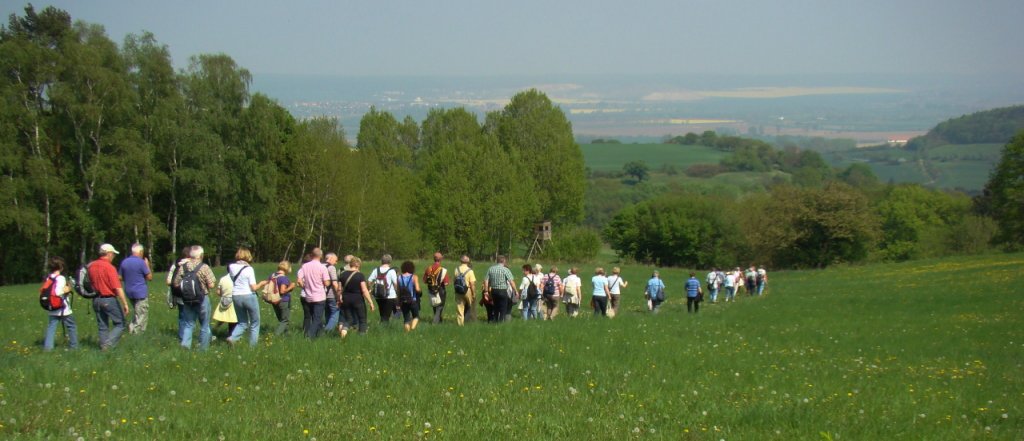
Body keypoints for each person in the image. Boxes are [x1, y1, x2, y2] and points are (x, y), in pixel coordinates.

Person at [173, 246, 217, 350]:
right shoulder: (204, 267)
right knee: (205, 325)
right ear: (201, 256)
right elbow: (211, 285)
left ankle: (185, 344)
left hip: (187, 300)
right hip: (202, 299)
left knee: (189, 324)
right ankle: (202, 348)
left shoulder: (183, 267)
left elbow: (175, 283)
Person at [88, 243, 129, 351]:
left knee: (102, 326)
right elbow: (117, 287)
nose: (114, 257)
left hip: (96, 299)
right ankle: (108, 345)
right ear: (109, 254)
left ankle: (103, 347)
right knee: (121, 324)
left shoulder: (92, 266)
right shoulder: (109, 267)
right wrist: (124, 303)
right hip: (108, 299)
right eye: (113, 254)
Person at [227, 247, 269, 347]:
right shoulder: (249, 269)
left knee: (242, 322)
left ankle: (233, 337)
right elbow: (253, 287)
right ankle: (252, 347)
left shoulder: (231, 267)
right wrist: (262, 283)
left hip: (236, 295)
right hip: (249, 295)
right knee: (255, 322)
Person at [42, 256, 78, 351]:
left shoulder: (49, 278)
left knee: (51, 327)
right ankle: (74, 347)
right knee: (71, 326)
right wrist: (69, 288)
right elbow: (58, 292)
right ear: (61, 267)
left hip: (52, 307)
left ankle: (48, 348)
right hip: (63, 308)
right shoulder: (61, 278)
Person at [119, 243, 153, 334]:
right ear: (141, 252)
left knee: (137, 312)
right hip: (140, 292)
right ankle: (137, 333)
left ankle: (131, 329)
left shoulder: (124, 262)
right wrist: (147, 265)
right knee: (142, 314)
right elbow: (149, 277)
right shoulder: (141, 262)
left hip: (129, 291)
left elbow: (120, 277)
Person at [296, 248, 330, 339]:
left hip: (308, 296)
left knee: (311, 316)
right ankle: (309, 336)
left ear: (312, 255)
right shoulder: (322, 267)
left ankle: (319, 335)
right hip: (319, 296)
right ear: (321, 256)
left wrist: (305, 286)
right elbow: (326, 283)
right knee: (317, 318)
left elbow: (299, 280)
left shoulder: (305, 266)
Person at [337, 257, 375, 337]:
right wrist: (370, 302)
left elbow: (339, 289)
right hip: (357, 299)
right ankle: (362, 336)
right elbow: (364, 290)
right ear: (358, 265)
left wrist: (338, 299)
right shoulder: (360, 275)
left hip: (346, 299)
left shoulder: (342, 274)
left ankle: (344, 330)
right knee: (362, 319)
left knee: (349, 319)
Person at [482, 255, 516, 322]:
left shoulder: (491, 269)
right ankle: (501, 322)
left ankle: (495, 320)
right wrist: (515, 291)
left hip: (494, 291)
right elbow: (511, 282)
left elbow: (486, 280)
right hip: (503, 291)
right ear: (503, 261)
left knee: (496, 307)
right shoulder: (505, 269)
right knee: (503, 307)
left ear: (497, 261)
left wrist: (486, 291)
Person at [368, 254, 399, 325]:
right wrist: (398, 293)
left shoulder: (376, 270)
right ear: (390, 261)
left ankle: (382, 327)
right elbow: (395, 284)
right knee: (386, 316)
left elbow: (369, 281)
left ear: (381, 261)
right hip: (390, 296)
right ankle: (384, 329)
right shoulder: (392, 271)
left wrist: (370, 289)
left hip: (378, 295)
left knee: (382, 313)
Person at [211, 267, 238, 339]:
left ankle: (214, 330)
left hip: (224, 301)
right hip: (234, 301)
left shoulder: (223, 278)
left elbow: (218, 292)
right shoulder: (237, 278)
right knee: (234, 320)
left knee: (223, 318)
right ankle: (232, 336)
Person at [271, 261, 296, 336]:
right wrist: (291, 287)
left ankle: (287, 335)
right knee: (285, 320)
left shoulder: (272, 276)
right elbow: (282, 291)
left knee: (282, 319)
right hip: (283, 300)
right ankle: (276, 335)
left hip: (274, 300)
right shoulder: (283, 278)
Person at [451, 255, 476, 326]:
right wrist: (474, 294)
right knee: (471, 307)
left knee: (460, 308)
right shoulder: (470, 271)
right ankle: (471, 322)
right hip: (467, 290)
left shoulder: (456, 269)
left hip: (458, 290)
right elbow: (472, 284)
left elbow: (454, 281)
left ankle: (460, 324)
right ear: (468, 261)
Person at [424, 252, 449, 324]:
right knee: (440, 306)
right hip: (440, 289)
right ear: (441, 259)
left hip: (431, 289)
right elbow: (446, 283)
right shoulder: (443, 270)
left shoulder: (428, 268)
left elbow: (425, 281)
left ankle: (439, 321)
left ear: (433, 259)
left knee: (435, 305)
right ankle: (435, 322)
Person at [397, 261, 423, 332]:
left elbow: (398, 291)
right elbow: (417, 289)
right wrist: (420, 292)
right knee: (416, 316)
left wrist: (398, 302)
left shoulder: (399, 277)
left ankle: (407, 333)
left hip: (403, 301)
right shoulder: (414, 277)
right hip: (412, 300)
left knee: (406, 319)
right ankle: (412, 328)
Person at [323, 253, 342, 334]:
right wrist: (339, 295)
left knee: (327, 313)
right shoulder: (331, 268)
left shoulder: (321, 266)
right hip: (331, 295)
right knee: (335, 313)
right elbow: (334, 283)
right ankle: (327, 331)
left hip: (323, 295)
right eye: (336, 260)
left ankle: (327, 327)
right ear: (330, 259)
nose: (336, 262)